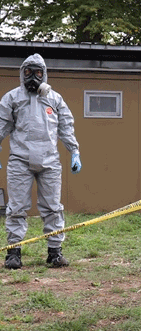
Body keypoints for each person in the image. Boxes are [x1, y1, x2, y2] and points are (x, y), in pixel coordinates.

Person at [0, 53, 82, 270]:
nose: (33, 78)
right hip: (20, 160)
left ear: (44, 74)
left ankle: (55, 252)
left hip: (50, 162)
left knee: (53, 207)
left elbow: (66, 126)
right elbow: (1, 125)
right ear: (22, 73)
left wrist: (74, 151)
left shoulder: (54, 99)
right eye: (28, 72)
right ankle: (13, 253)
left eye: (37, 73)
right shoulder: (12, 98)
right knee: (16, 207)